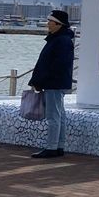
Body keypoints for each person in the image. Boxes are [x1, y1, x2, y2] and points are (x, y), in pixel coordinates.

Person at [28, 9, 75, 159]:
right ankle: (58, 146)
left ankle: (52, 147)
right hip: (57, 82)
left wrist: (40, 81)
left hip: (54, 83)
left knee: (53, 116)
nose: (47, 23)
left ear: (58, 24)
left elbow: (55, 65)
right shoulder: (61, 39)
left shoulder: (60, 40)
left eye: (50, 21)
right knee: (60, 115)